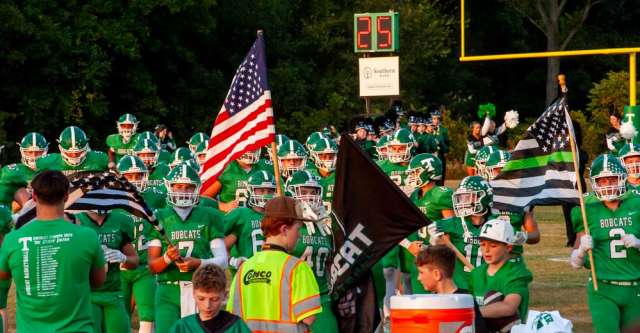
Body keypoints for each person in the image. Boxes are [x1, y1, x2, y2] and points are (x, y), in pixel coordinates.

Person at [0, 170, 106, 332]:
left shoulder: (13, 239)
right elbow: (98, 282)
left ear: (34, 196)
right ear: (66, 196)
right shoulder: (87, 236)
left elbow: (3, 275)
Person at [148, 162, 228, 333]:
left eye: (188, 187)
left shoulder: (209, 215)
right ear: (170, 187)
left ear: (197, 189)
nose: (183, 191)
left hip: (201, 290)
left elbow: (222, 260)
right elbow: (152, 266)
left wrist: (198, 263)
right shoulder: (160, 216)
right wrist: (168, 257)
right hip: (168, 289)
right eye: (178, 186)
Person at [227, 196, 321, 332]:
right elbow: (309, 318)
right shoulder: (297, 268)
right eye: (297, 229)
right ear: (284, 229)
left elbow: (233, 317)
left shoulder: (244, 269)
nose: (299, 235)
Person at [570, 154, 640, 332]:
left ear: (622, 179)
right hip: (602, 287)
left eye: (612, 179)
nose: (608, 184)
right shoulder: (586, 208)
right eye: (602, 181)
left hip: (635, 286)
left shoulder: (636, 203)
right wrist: (581, 252)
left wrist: (638, 243)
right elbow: (575, 263)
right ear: (595, 183)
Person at [117, 155, 165, 333]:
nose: (134, 181)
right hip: (118, 267)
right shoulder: (111, 201)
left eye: (138, 176)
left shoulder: (156, 197)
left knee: (148, 313)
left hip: (144, 266)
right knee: (120, 314)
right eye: (129, 176)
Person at [286, 171, 338, 332]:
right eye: (304, 191)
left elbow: (331, 262)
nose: (309, 197)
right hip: (290, 298)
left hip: (320, 297)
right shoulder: (285, 225)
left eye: (313, 192)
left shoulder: (324, 226)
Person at [75, 209, 139, 333]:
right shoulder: (75, 221)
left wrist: (123, 257)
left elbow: (134, 261)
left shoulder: (119, 220)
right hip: (88, 294)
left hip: (113, 293)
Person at [430, 176, 493, 290]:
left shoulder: (496, 223)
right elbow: (431, 235)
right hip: (459, 284)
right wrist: (434, 239)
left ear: (483, 198)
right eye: (462, 198)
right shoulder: (453, 223)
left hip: (488, 282)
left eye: (469, 197)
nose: (463, 202)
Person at [404, 153, 454, 294]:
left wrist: (429, 246)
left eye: (416, 172)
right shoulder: (414, 195)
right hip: (419, 256)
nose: (412, 175)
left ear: (429, 172)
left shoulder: (440, 194)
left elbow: (450, 232)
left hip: (436, 259)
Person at [470, 219, 533, 328]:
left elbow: (509, 307)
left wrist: (472, 313)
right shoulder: (476, 273)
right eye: (483, 244)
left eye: (493, 246)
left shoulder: (517, 273)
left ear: (508, 247)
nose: (486, 250)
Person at [416, 245, 489, 333]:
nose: (418, 278)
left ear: (437, 274)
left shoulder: (465, 302)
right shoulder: (430, 301)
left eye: (421, 272)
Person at [169, 264, 251, 333]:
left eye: (214, 299)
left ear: (225, 295)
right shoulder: (182, 327)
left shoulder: (236, 326)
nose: (207, 305)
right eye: (201, 298)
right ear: (193, 294)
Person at [224, 170, 276, 272]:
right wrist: (233, 261)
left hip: (271, 272)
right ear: (250, 191)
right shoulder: (241, 214)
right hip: (246, 273)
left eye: (269, 191)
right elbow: (217, 242)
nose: (265, 195)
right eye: (261, 191)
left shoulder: (276, 216)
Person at [202, 147, 271, 213]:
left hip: (261, 218)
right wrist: (223, 206)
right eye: (247, 145)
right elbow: (204, 196)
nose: (251, 149)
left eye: (254, 145)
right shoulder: (225, 168)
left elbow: (279, 193)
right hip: (232, 220)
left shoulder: (266, 166)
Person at [37, 126, 109, 178]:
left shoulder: (100, 159)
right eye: (69, 153)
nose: (74, 155)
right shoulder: (47, 162)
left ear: (86, 147)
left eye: (78, 152)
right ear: (60, 148)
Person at [0, 132, 48, 209]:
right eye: (30, 152)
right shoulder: (11, 171)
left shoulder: (52, 170)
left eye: (38, 152)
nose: (34, 156)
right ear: (22, 151)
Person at [431, 110, 449, 185]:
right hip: (430, 154)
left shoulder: (443, 129)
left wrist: (445, 150)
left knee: (441, 174)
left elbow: (447, 143)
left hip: (440, 155)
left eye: (438, 119)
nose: (436, 121)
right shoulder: (428, 128)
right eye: (434, 118)